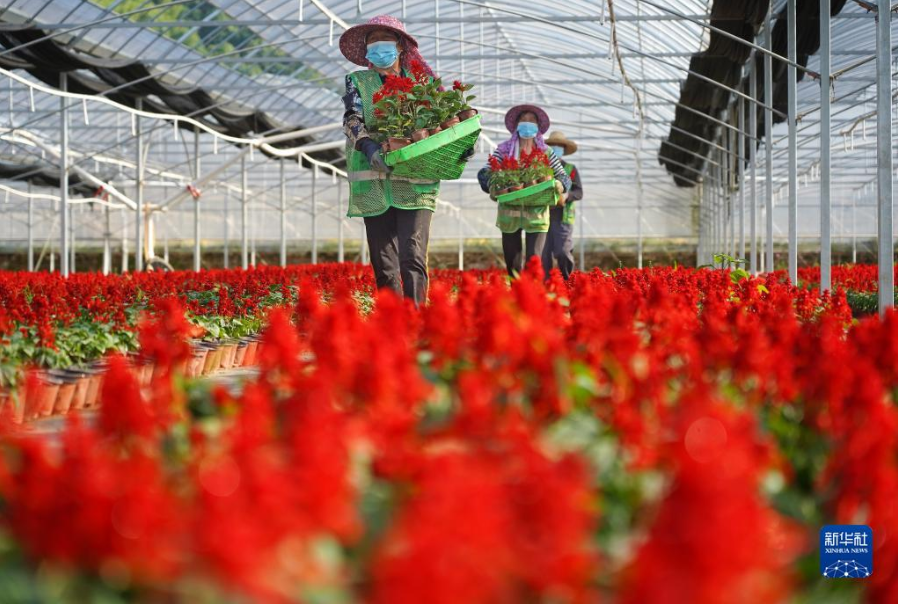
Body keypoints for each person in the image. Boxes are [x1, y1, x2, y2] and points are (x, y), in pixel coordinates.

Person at [340, 15, 454, 306]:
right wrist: (368, 148)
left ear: (401, 46)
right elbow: (352, 119)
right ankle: (393, 326)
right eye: (372, 41)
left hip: (416, 183)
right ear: (366, 51)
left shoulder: (423, 81)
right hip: (373, 181)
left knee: (412, 255)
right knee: (383, 262)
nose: (379, 47)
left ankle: (415, 323)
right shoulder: (358, 82)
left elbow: (444, 121)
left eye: (385, 40)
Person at [477, 105, 571, 277]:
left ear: (538, 127)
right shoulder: (504, 150)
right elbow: (484, 173)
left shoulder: (545, 152)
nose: (527, 124)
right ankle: (516, 295)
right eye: (524, 120)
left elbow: (564, 177)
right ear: (517, 125)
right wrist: (492, 185)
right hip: (509, 213)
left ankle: (531, 296)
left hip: (537, 215)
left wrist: (559, 185)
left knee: (533, 261)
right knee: (513, 264)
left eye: (532, 121)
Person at [541, 131, 583, 280]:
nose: (556, 148)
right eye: (553, 145)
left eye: (559, 146)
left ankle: (567, 280)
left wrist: (566, 196)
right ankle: (545, 283)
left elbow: (579, 192)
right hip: (543, 215)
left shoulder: (570, 169)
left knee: (562, 251)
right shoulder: (540, 168)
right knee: (543, 253)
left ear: (564, 149)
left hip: (563, 216)